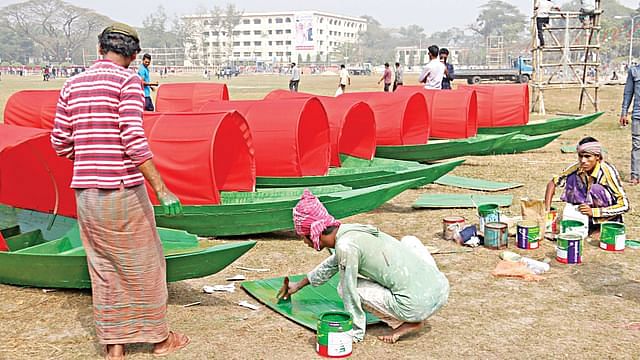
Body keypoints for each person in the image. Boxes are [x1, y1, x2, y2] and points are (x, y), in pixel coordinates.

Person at [50, 22, 190, 360]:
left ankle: (115, 346)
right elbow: (132, 138)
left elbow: (59, 142)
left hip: (86, 193)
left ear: (99, 50)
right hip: (123, 190)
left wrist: (88, 154)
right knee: (146, 263)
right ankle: (159, 339)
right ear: (133, 55)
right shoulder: (128, 80)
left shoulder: (73, 84)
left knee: (104, 266)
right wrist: (162, 189)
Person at [278, 190, 450, 344]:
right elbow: (333, 263)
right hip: (441, 288)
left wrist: (355, 332)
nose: (303, 242)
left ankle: (404, 322)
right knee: (409, 241)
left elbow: (349, 290)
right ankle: (416, 303)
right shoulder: (347, 231)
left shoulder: (346, 247)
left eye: (302, 236)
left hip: (415, 306)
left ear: (313, 235)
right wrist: (298, 285)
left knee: (343, 288)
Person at [544, 137, 629, 239]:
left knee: (595, 189)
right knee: (572, 178)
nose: (583, 161)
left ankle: (600, 226)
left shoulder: (607, 171)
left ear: (597, 157)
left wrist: (594, 212)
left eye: (588, 157)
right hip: (585, 212)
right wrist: (547, 210)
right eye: (580, 156)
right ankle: (585, 223)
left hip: (604, 213)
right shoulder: (577, 167)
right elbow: (552, 183)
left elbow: (625, 205)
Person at [621, 62, 640, 184]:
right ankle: (635, 175)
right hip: (638, 115)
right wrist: (624, 112)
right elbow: (628, 93)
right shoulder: (634, 71)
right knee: (637, 145)